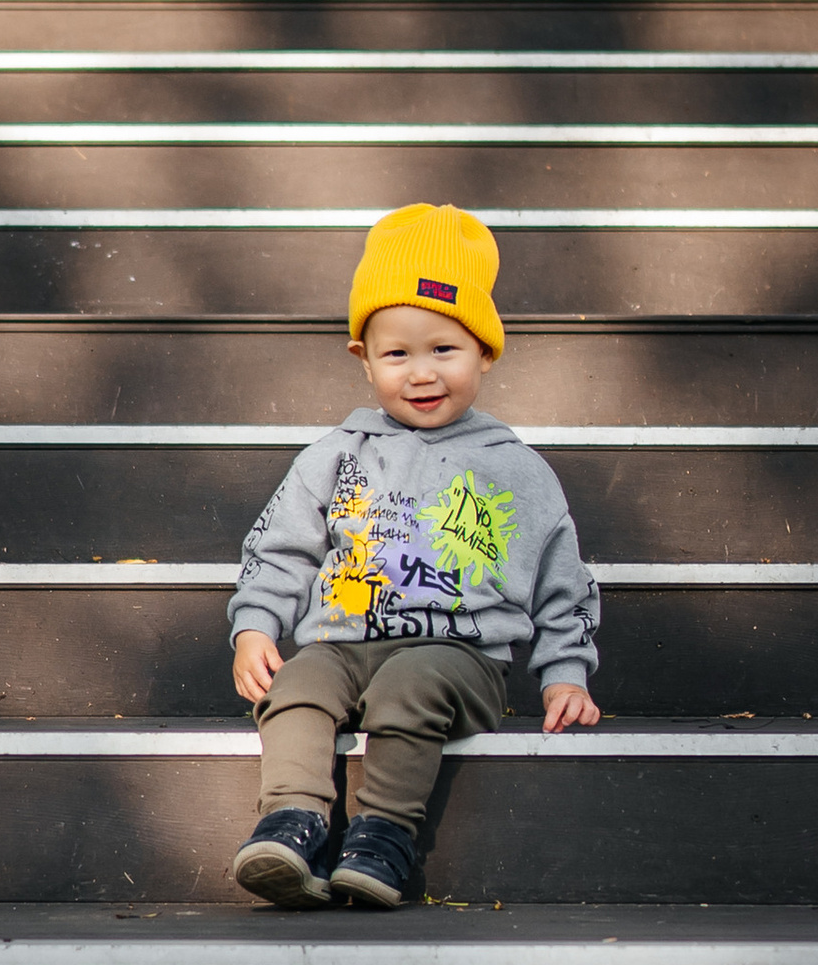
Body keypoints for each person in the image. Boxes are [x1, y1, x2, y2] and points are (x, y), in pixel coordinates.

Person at [226, 203, 602, 911]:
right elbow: (279, 551)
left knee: (411, 684)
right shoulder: (334, 456)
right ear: (363, 360)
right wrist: (253, 628)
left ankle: (383, 835)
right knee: (298, 685)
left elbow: (563, 585)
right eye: (397, 353)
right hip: (342, 642)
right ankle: (292, 822)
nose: (421, 373)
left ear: (486, 353)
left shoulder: (516, 471)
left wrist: (564, 675)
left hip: (458, 658)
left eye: (444, 350)